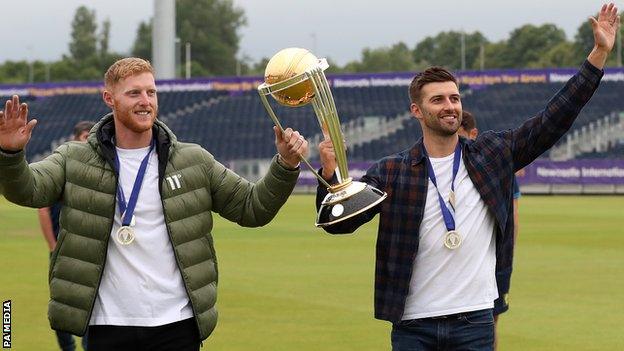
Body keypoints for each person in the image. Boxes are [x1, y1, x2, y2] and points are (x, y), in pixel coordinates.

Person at [316, 4, 618, 350]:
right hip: (413, 325)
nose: (450, 106)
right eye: (438, 100)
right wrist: (330, 174)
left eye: (455, 98)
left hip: (475, 320)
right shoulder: (392, 171)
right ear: (417, 110)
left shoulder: (491, 154)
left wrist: (598, 54)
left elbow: (554, 118)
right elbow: (338, 224)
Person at [0, 57, 308, 350]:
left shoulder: (193, 160)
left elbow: (252, 208)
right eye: (133, 93)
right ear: (110, 99)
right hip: (107, 325)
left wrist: (286, 165)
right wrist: (11, 155)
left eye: (151, 92)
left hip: (177, 325)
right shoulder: (74, 158)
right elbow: (28, 191)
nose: (145, 101)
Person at [457, 110, 521, 349]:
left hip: (494, 260)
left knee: (489, 321)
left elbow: (512, 216)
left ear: (473, 133)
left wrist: (505, 256)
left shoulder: (497, 165)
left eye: (461, 136)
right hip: (460, 258)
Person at [37, 120, 95, 351]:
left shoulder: (97, 170)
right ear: (75, 137)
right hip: (62, 250)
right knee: (61, 307)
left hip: (89, 251)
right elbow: (42, 207)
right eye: (84, 136)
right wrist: (52, 245)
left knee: (93, 305)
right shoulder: (61, 165)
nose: (88, 140)